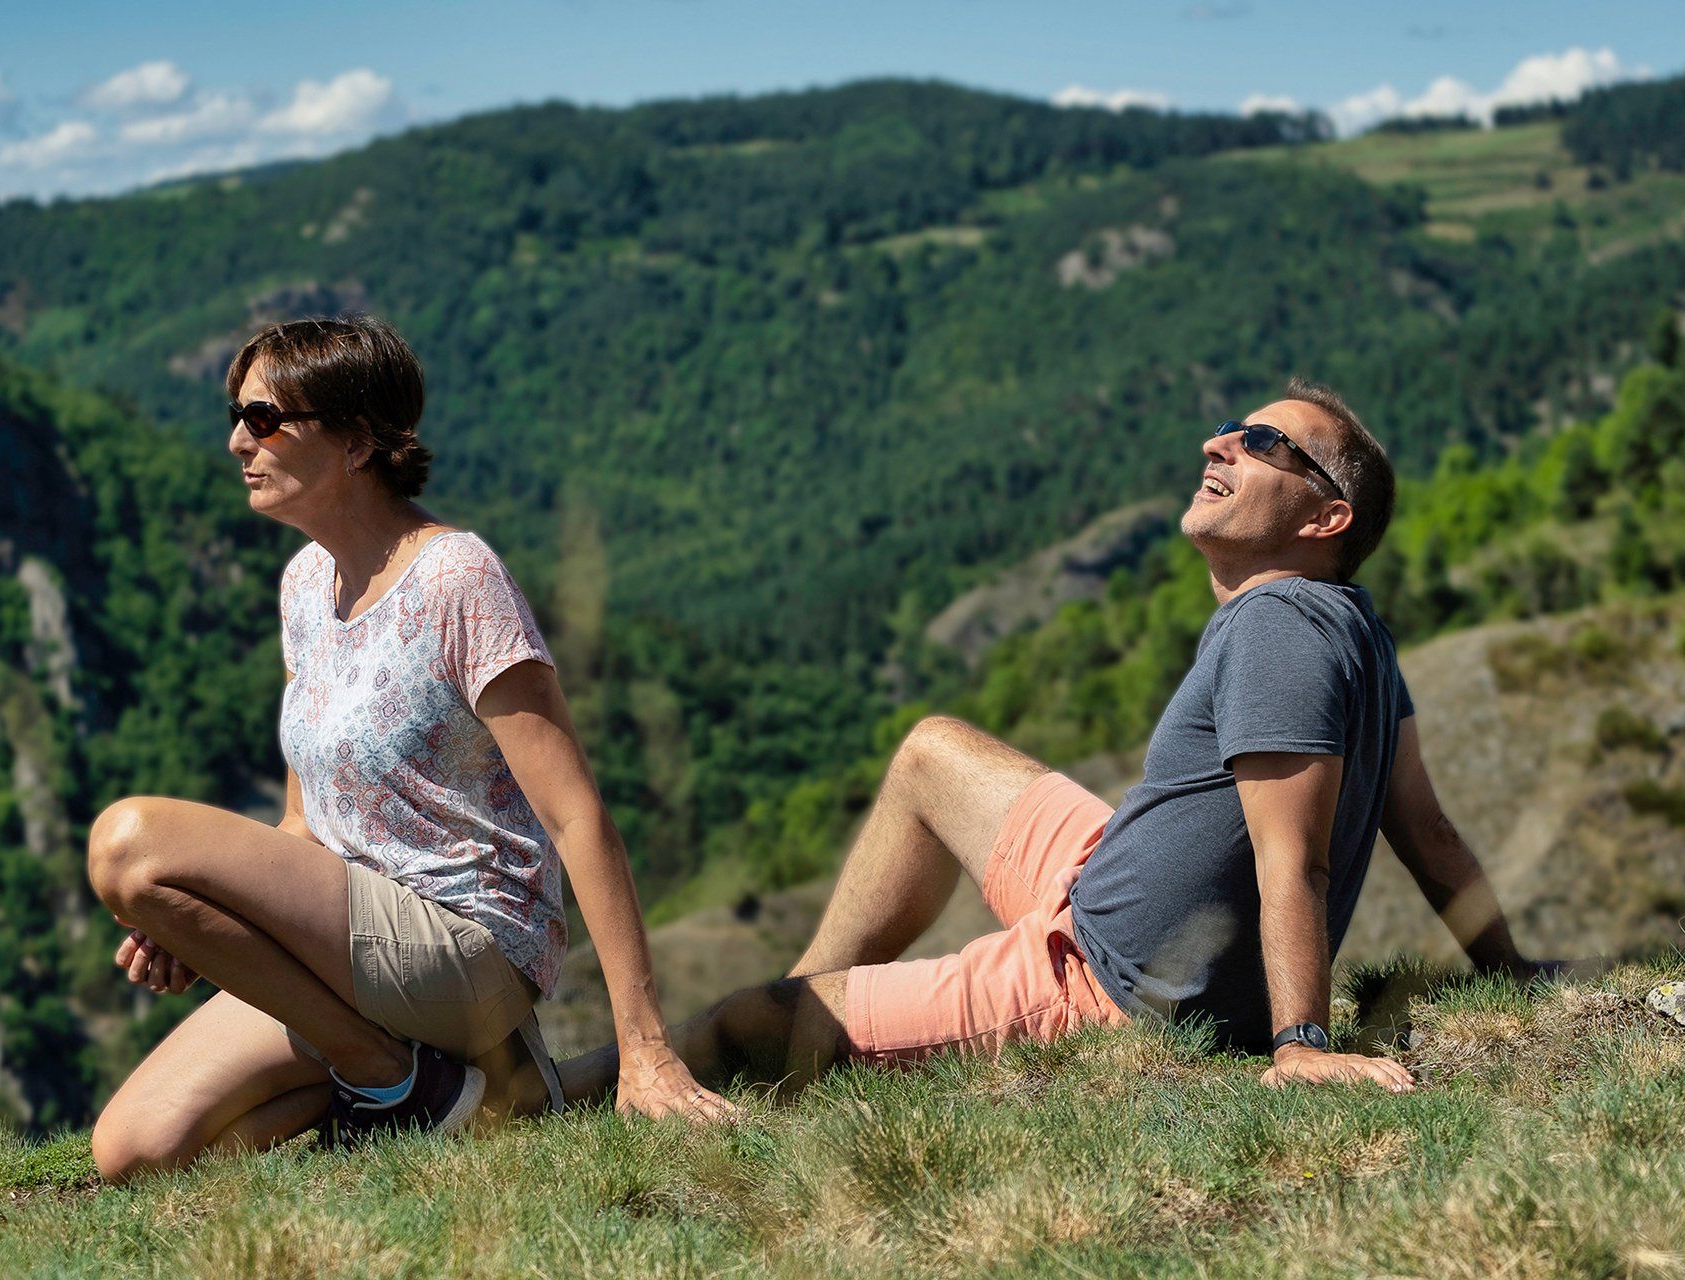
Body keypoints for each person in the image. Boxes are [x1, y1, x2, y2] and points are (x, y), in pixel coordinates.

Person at [561, 378, 1554, 1101]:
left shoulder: (1278, 622)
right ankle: (810, 1010)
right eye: (1229, 427)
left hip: (1098, 980)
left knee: (737, 1024)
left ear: (1326, 516)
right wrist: (1506, 965)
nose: (1219, 443)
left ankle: (586, 1089)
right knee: (930, 752)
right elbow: (1426, 828)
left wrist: (1300, 1040)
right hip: (1103, 873)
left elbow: (1291, 856)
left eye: (1262, 442)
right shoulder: (1354, 624)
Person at [87, 314, 733, 1184]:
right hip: (350, 948)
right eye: (237, 416)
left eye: (264, 418)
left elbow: (575, 815)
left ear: (358, 442)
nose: (239, 440)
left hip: (465, 945)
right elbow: (303, 826)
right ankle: (474, 1094)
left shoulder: (457, 579)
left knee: (125, 841)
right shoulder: (305, 586)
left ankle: (386, 1076)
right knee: (135, 1152)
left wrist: (646, 1049)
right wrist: (194, 918)